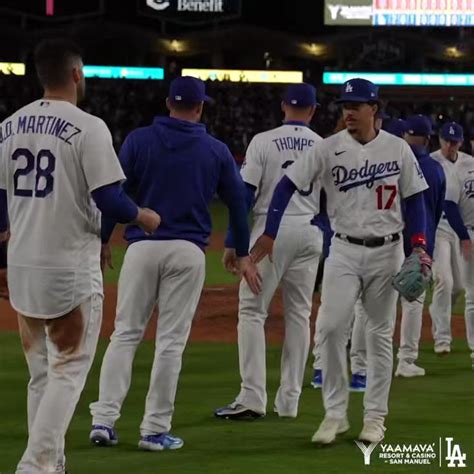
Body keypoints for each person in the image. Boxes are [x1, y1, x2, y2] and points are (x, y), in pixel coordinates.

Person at [0, 38, 160, 474]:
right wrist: (142, 216)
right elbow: (109, 197)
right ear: (75, 73)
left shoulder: (9, 125)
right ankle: (34, 465)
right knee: (68, 370)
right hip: (68, 267)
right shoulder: (89, 126)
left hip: (22, 265)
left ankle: (52, 463)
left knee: (41, 374)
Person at [251, 78, 429, 444]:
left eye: (356, 105)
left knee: (379, 334)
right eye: (345, 106)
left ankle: (375, 418)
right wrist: (270, 231)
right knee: (330, 329)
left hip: (387, 250)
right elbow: (286, 185)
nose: (348, 112)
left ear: (373, 109)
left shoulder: (397, 148)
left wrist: (419, 245)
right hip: (343, 250)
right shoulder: (327, 148)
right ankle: (335, 413)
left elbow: (415, 200)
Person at [89, 76, 261, 451]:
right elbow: (238, 203)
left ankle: (103, 420)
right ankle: (153, 430)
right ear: (200, 107)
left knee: (124, 334)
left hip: (141, 247)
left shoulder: (138, 140)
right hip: (187, 251)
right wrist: (241, 252)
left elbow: (114, 193)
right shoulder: (215, 149)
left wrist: (103, 239)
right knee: (170, 343)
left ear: (168, 103)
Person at [214, 83, 323, 420]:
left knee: (252, 311)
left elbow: (243, 196)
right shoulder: (324, 145)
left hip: (270, 233)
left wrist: (233, 242)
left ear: (283, 106)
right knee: (299, 315)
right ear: (313, 110)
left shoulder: (263, 140)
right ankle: (289, 403)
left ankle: (252, 397)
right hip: (310, 230)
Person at [432, 122, 474, 364]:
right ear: (440, 139)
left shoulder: (469, 162)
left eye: (454, 141)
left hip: (461, 229)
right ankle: (442, 338)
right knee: (444, 281)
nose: (450, 145)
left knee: (458, 287)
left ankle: (436, 314)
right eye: (447, 140)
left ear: (461, 142)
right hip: (438, 229)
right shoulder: (431, 162)